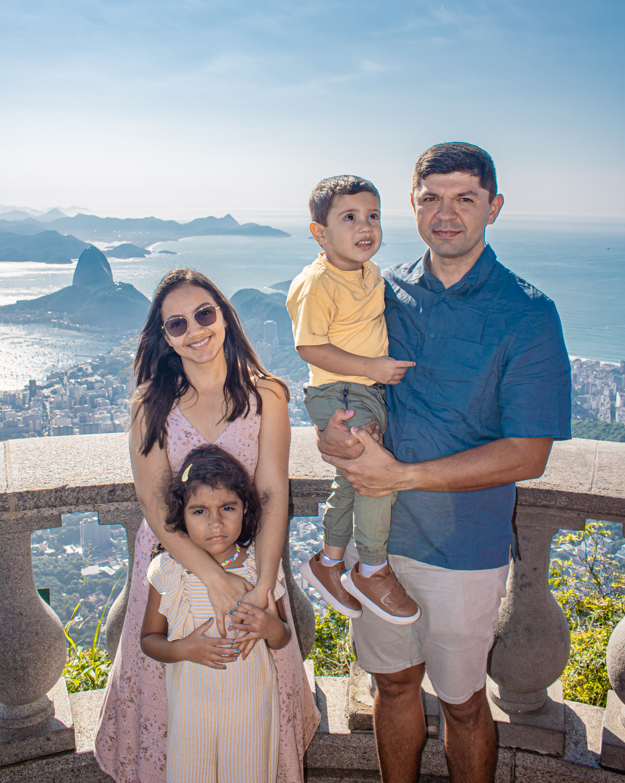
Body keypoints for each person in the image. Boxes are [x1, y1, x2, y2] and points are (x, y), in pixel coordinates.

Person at [317, 143, 571, 783]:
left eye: (465, 198)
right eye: (431, 198)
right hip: (378, 542)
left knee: (462, 703)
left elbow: (529, 454)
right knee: (393, 686)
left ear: (494, 207)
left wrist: (401, 476)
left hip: (465, 548)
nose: (446, 213)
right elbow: (341, 374)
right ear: (413, 204)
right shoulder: (382, 289)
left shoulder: (528, 313)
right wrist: (335, 432)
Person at [94, 268, 319, 783]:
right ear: (165, 337)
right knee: (172, 699)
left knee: (255, 695)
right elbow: (154, 502)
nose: (195, 330)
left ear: (223, 316)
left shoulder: (268, 395)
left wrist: (262, 587)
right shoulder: (151, 403)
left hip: (250, 563)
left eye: (203, 314)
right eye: (177, 324)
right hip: (172, 562)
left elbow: (272, 492)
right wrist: (215, 579)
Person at [287, 175, 419, 624]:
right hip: (342, 390)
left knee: (351, 480)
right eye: (349, 217)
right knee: (376, 475)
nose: (366, 226)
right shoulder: (317, 282)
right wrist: (372, 367)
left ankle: (328, 562)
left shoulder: (370, 272)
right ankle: (372, 568)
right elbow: (308, 347)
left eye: (373, 216)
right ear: (319, 233)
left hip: (361, 390)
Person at [141, 444, 291, 783]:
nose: (216, 522)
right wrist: (184, 649)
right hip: (191, 708)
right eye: (199, 511)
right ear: (181, 515)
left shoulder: (260, 568)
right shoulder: (169, 570)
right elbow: (149, 639)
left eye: (227, 508)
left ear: (245, 509)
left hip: (251, 707)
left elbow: (281, 637)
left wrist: (270, 628)